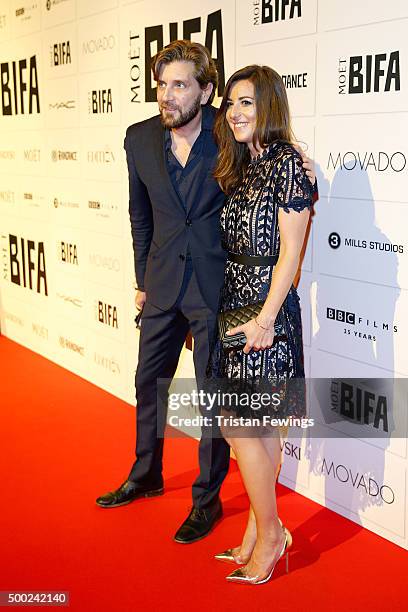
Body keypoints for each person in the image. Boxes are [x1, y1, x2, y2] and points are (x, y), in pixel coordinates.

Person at [96, 41, 316, 544]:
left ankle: (206, 498)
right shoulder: (138, 139)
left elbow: (270, 150)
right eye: (161, 86)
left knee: (214, 401)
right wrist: (139, 280)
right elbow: (140, 216)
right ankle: (145, 473)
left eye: (179, 85)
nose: (167, 97)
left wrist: (295, 155)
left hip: (218, 291)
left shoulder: (228, 130)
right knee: (148, 382)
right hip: (160, 285)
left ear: (205, 90)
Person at [207, 64, 314, 583]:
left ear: (269, 105)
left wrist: (267, 319)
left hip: (267, 313)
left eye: (246, 102)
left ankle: (270, 535)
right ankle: (258, 530)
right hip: (235, 307)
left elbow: (290, 255)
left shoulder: (288, 165)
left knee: (244, 426)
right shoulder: (244, 164)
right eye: (230, 104)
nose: (235, 112)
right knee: (254, 430)